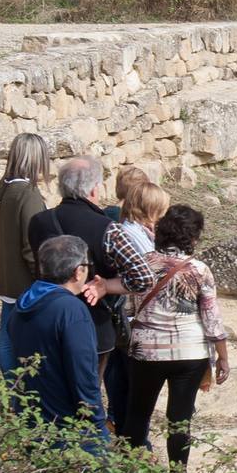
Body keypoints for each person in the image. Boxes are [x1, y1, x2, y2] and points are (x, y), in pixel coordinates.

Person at [27, 157, 157, 432]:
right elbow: (144, 277)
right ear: (95, 190)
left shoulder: (39, 222)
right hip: (93, 322)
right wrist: (107, 286)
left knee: (49, 387)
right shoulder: (107, 229)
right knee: (87, 390)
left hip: (45, 317)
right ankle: (85, 446)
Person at [124, 205, 230, 473]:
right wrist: (223, 357)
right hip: (189, 352)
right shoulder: (199, 269)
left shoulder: (142, 262)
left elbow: (127, 307)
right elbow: (212, 318)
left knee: (138, 413)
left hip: (146, 350)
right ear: (192, 237)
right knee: (180, 419)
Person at [4, 235, 108, 451]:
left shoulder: (24, 302)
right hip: (67, 427)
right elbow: (83, 372)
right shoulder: (71, 311)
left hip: (32, 420)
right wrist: (96, 422)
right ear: (78, 271)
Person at [99, 180, 169, 435]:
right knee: (128, 381)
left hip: (129, 315)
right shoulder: (131, 235)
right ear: (150, 210)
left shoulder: (136, 232)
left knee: (122, 378)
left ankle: (123, 427)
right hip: (131, 315)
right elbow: (149, 273)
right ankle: (131, 436)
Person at [0, 133, 51, 375]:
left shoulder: (3, 188)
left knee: (6, 336)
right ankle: (21, 393)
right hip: (26, 281)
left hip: (6, 274)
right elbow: (31, 244)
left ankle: (11, 392)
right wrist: (45, 278)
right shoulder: (28, 194)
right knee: (25, 341)